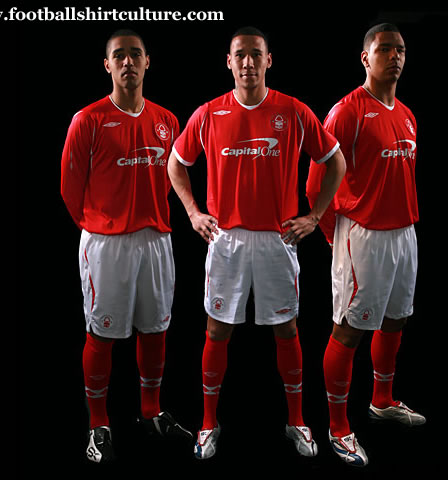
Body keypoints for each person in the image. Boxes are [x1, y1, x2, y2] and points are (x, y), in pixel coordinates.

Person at [167, 26, 346, 460]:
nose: (248, 62)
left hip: (277, 239)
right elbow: (176, 162)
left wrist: (314, 216)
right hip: (226, 239)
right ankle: (208, 423)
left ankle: (297, 421)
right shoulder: (209, 113)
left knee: (287, 328)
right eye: (240, 55)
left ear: (269, 60)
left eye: (256, 54)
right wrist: (193, 212)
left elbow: (336, 162)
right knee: (217, 329)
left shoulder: (294, 111)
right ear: (228, 62)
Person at [60, 29, 192, 464]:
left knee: (155, 328)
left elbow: (171, 181)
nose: (128, 62)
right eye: (120, 55)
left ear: (148, 62)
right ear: (107, 65)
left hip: (155, 240)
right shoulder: (88, 120)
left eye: (136, 54)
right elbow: (70, 189)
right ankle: (98, 424)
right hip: (107, 244)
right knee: (102, 333)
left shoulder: (167, 120)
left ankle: (151, 412)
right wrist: (100, 226)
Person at [306, 23, 426, 467]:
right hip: (363, 236)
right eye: (385, 49)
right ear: (365, 57)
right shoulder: (346, 112)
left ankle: (382, 400)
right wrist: (334, 234)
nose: (395, 56)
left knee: (396, 319)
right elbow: (316, 184)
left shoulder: (407, 114)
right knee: (349, 329)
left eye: (401, 50)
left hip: (405, 232)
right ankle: (338, 428)